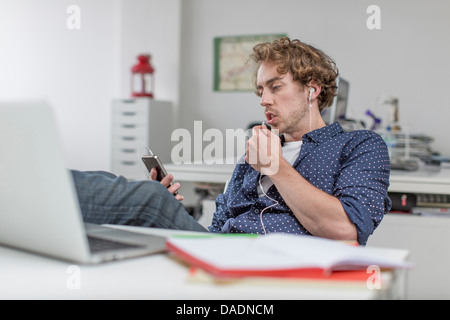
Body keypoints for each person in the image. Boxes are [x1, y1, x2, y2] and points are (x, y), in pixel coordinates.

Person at [74, 37, 391, 245]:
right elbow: (217, 228)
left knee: (146, 201)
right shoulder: (256, 152)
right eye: (260, 90)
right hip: (221, 251)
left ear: (313, 89)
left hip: (276, 262)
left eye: (275, 87)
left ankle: (39, 188)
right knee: (132, 212)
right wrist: (175, 212)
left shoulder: (360, 145)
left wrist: (276, 167)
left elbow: (346, 230)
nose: (263, 100)